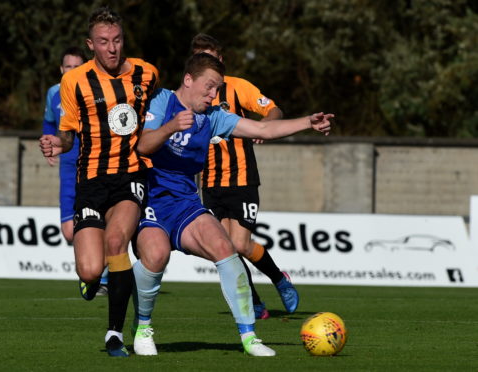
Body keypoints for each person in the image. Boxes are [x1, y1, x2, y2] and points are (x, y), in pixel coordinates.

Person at [131, 53, 331, 357]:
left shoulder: (212, 117)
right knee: (156, 255)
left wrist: (307, 122)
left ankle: (250, 337)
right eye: (210, 87)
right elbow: (143, 146)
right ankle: (142, 327)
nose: (214, 95)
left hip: (186, 204)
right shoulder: (161, 101)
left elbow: (262, 130)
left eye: (218, 88)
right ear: (188, 80)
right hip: (150, 200)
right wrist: (171, 126)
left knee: (226, 249)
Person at [39, 6, 159, 357]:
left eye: (117, 40)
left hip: (130, 175)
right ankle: (91, 280)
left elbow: (161, 111)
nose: (112, 48)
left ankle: (115, 334)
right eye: (104, 42)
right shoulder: (73, 82)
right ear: (91, 44)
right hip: (90, 180)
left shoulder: (146, 73)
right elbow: (67, 137)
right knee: (91, 270)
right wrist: (53, 143)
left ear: (124, 39)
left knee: (117, 241)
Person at [191, 33, 299, 319]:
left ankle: (279, 279)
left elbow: (274, 109)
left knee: (240, 244)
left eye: (211, 58)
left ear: (221, 60)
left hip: (242, 180)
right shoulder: (190, 96)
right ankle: (255, 302)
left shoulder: (238, 88)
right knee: (224, 249)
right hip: (211, 183)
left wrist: (266, 124)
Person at [41, 47, 109, 295]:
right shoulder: (53, 93)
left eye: (77, 67)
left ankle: (100, 277)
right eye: (68, 67)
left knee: (101, 219)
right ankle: (89, 268)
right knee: (69, 230)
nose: (72, 71)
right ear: (61, 70)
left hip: (93, 161)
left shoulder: (95, 91)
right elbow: (49, 122)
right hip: (69, 162)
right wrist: (50, 143)